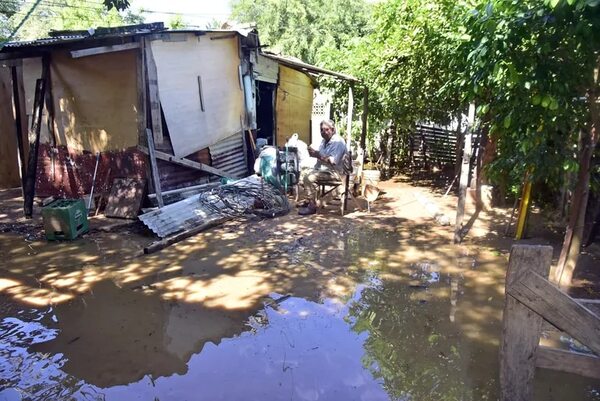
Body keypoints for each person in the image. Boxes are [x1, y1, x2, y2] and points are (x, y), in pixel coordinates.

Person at [298, 119, 347, 215]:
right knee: (302, 173)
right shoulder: (323, 141)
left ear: (333, 130)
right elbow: (321, 156)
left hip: (335, 172)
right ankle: (309, 200)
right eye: (321, 130)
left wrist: (317, 155)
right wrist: (313, 153)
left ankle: (312, 206)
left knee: (309, 177)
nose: (323, 132)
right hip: (324, 170)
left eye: (326, 129)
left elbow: (333, 161)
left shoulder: (338, 142)